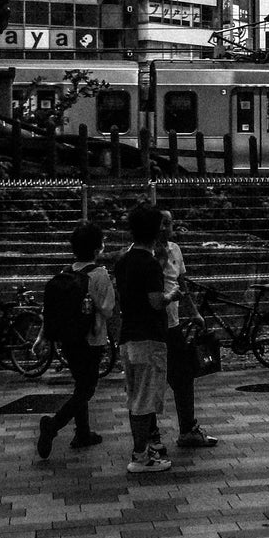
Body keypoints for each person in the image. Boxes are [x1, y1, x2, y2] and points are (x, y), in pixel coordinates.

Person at [37, 221, 115, 459]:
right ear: (97, 249)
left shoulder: (64, 275)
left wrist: (42, 336)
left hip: (69, 340)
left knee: (80, 383)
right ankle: (53, 425)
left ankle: (83, 433)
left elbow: (50, 310)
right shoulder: (100, 275)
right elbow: (108, 309)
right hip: (92, 340)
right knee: (87, 389)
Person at [156, 208, 219, 452]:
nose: (166, 227)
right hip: (154, 327)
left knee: (183, 376)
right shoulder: (146, 253)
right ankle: (151, 435)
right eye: (161, 223)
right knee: (154, 382)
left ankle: (187, 429)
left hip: (172, 324)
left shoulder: (175, 250)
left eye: (169, 223)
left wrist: (194, 312)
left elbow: (182, 283)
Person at [117, 203, 172, 474]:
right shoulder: (149, 264)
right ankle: (140, 456)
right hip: (148, 337)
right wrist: (171, 297)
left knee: (134, 397)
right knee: (144, 399)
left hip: (127, 336)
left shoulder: (123, 261)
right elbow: (155, 302)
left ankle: (142, 451)